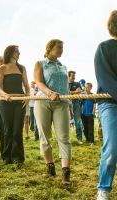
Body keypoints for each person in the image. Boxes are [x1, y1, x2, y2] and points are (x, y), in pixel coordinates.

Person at [34, 39, 71, 184]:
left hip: (61, 103)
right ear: (50, 48)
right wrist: (50, 93)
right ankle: (50, 167)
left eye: (63, 47)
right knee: (45, 136)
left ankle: (66, 172)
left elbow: (66, 87)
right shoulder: (40, 63)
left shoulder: (63, 66)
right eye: (59, 47)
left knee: (64, 137)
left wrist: (70, 105)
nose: (61, 49)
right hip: (43, 102)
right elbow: (39, 82)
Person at [94, 10, 117, 200]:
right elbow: (105, 79)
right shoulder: (104, 48)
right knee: (112, 148)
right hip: (110, 103)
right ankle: (104, 189)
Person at [0, 45, 30, 167]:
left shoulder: (22, 68)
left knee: (17, 130)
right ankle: (6, 156)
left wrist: (27, 97)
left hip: (20, 101)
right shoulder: (2, 68)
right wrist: (5, 95)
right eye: (17, 51)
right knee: (7, 130)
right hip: (6, 102)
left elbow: (27, 85)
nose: (19, 53)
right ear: (10, 53)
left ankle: (18, 157)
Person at [68, 71, 84, 145]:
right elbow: (65, 92)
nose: (74, 78)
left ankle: (79, 139)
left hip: (76, 103)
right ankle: (66, 139)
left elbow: (80, 91)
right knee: (65, 122)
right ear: (68, 76)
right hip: (66, 103)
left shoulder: (77, 83)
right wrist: (75, 92)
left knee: (78, 121)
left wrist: (70, 92)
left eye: (74, 77)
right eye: (72, 77)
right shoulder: (65, 83)